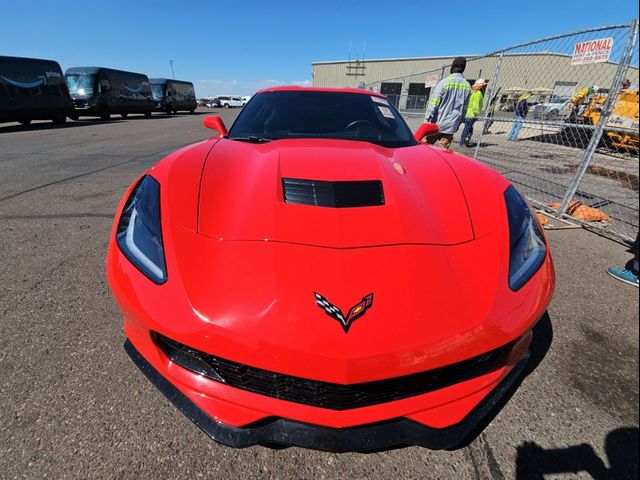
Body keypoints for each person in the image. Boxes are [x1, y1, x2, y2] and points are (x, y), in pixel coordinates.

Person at [424, 57, 471, 149]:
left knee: (427, 149)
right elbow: (465, 108)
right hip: (451, 125)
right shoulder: (467, 86)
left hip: (436, 124)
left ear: (452, 67)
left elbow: (433, 104)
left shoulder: (444, 83)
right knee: (443, 152)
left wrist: (426, 120)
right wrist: (459, 122)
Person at [459, 78, 487, 147]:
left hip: (469, 113)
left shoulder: (474, 93)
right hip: (472, 114)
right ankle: (464, 141)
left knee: (468, 128)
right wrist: (476, 113)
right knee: (468, 128)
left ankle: (465, 140)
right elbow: (476, 105)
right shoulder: (479, 94)